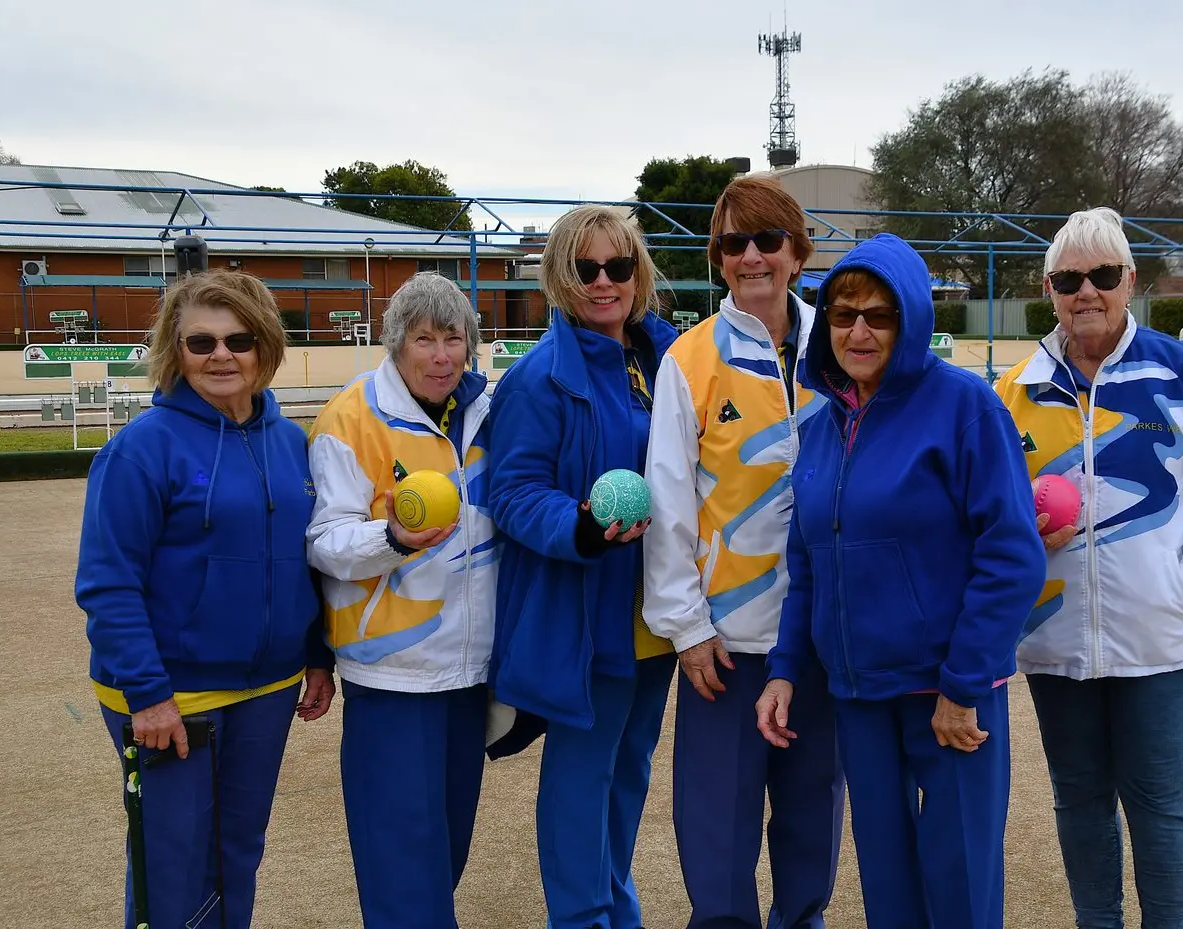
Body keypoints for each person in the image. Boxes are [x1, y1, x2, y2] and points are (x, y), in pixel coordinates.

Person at [751, 234, 1046, 929]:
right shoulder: (822, 429)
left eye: (878, 315)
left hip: (947, 695)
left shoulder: (964, 406)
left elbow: (1011, 552)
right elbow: (808, 566)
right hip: (859, 695)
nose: (857, 330)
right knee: (887, 886)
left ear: (911, 318)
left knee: (959, 884)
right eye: (842, 312)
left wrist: (962, 685)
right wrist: (785, 668)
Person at [994, 207, 1183, 929]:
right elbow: (987, 513)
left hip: (1163, 643)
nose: (1086, 291)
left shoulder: (1182, 374)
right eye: (1067, 278)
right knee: (1078, 798)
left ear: (1130, 282)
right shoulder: (1013, 389)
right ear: (1047, 289)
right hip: (1054, 644)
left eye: (1102, 276)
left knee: (1160, 803)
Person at [76, 269, 334, 929]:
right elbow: (108, 582)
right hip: (172, 696)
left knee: (236, 854)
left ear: (265, 346)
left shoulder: (291, 443)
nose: (221, 355)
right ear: (175, 349)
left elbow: (306, 560)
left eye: (238, 339)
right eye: (200, 342)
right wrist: (148, 693)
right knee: (172, 861)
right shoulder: (140, 449)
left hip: (267, 689)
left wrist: (315, 655)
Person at [643, 173, 844, 929]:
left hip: (821, 637)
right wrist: (685, 625)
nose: (751, 256)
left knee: (810, 824)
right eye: (733, 243)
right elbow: (667, 502)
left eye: (766, 239)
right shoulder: (688, 360)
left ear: (797, 250)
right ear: (717, 259)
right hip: (726, 646)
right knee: (717, 837)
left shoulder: (844, 345)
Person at [488, 205, 679, 929]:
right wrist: (582, 527)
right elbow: (511, 492)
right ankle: (582, 916)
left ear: (638, 273)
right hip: (585, 610)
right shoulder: (540, 378)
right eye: (585, 268)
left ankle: (614, 904)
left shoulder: (665, 360)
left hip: (656, 611)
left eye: (618, 266)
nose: (604, 282)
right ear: (560, 278)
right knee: (580, 777)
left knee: (628, 772)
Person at [306, 272, 497, 929]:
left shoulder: (488, 410)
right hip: (392, 675)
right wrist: (393, 536)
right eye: (424, 339)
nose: (442, 354)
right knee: (399, 861)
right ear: (395, 344)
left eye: (454, 338)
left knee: (444, 848)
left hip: (471, 670)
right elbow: (325, 541)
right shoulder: (349, 416)